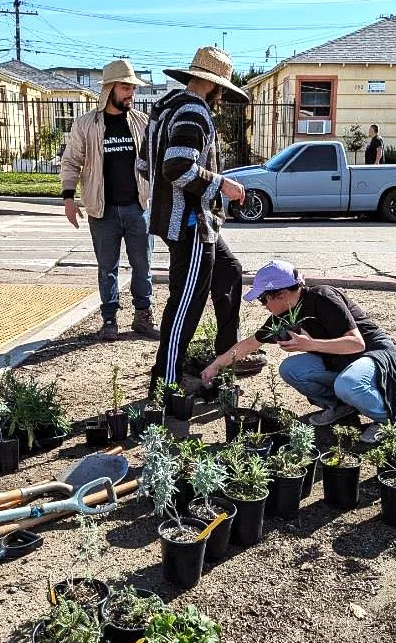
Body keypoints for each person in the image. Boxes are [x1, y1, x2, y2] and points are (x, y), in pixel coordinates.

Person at [137, 46, 263, 391]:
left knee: (229, 270)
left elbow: (145, 165)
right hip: (191, 224)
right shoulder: (194, 112)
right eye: (222, 88)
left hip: (188, 220)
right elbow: (176, 167)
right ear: (214, 85)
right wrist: (223, 184)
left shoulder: (164, 108)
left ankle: (227, 352)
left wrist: (171, 198)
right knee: (187, 303)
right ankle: (167, 380)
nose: (221, 96)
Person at [201, 259, 396, 444]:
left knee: (348, 383)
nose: (263, 305)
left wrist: (310, 345)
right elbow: (250, 344)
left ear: (281, 294)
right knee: (291, 369)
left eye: (263, 298)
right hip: (338, 358)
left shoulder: (323, 297)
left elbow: (356, 344)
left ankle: (391, 418)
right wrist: (215, 366)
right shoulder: (284, 315)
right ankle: (341, 406)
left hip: (373, 353)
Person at [60, 59, 158, 342]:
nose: (131, 93)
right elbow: (71, 162)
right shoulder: (86, 124)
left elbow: (156, 161)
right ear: (109, 88)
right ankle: (110, 320)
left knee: (144, 265)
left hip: (138, 207)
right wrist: (68, 198)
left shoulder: (141, 122)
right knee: (107, 268)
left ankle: (143, 316)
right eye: (126, 87)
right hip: (102, 210)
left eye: (133, 88)